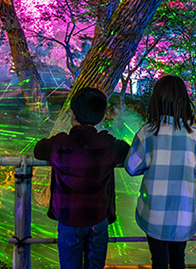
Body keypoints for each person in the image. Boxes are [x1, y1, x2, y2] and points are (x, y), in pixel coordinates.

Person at [34, 87, 130, 269]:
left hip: (68, 218)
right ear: (102, 117)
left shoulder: (60, 144)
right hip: (98, 218)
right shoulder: (108, 144)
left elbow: (39, 150)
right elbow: (126, 152)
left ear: (72, 114)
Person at [125, 75, 196, 269]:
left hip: (153, 215)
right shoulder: (195, 135)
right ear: (184, 101)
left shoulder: (147, 132)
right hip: (183, 216)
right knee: (178, 259)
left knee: (158, 260)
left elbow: (131, 168)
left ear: (156, 101)